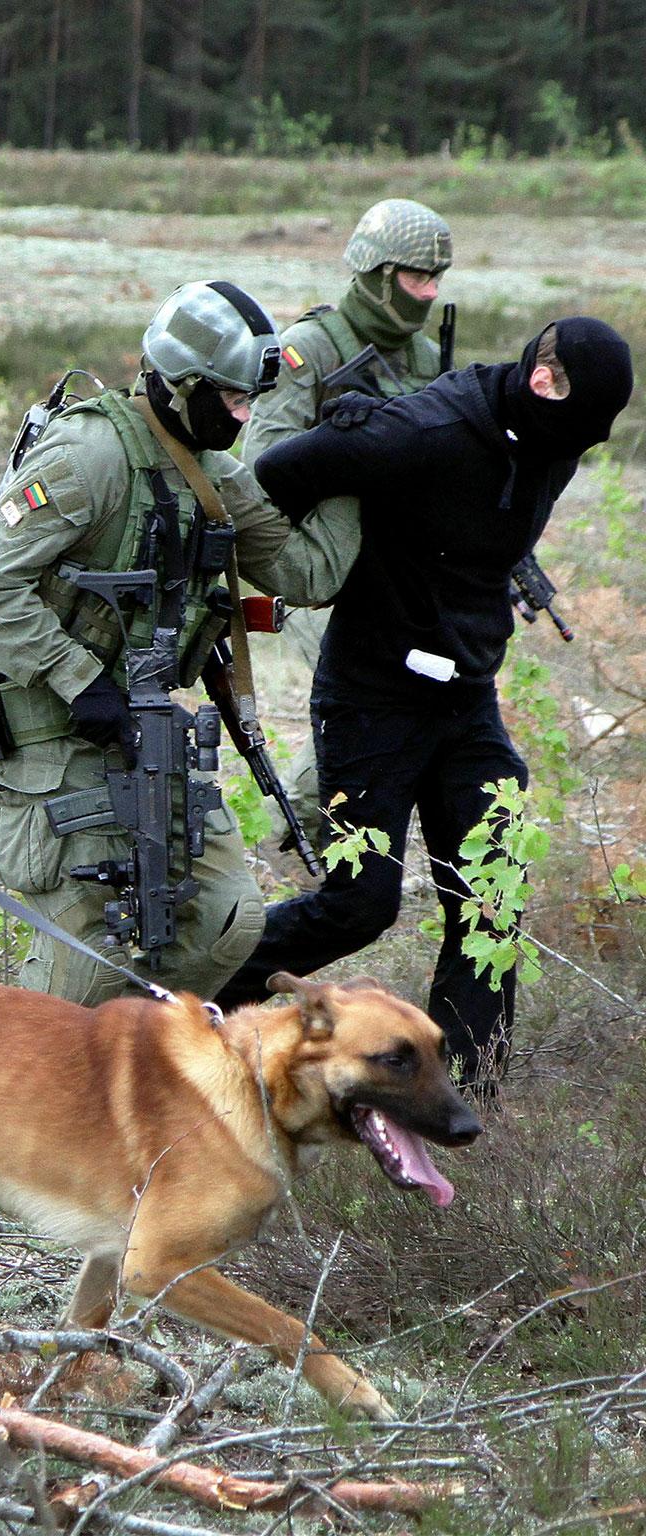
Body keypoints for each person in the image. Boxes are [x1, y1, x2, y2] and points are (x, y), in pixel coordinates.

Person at [215, 318, 633, 1089]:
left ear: (587, 419)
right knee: (360, 904)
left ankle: (469, 1095)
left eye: (563, 383)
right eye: (542, 363)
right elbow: (274, 474)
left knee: (492, 894)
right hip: (372, 693)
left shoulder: (560, 448)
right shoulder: (426, 429)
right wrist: (336, 560)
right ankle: (200, 1002)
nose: (543, 380)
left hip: (466, 698)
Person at [0, 280, 362, 1005]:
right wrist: (79, 678)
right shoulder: (88, 457)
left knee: (225, 923)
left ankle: (127, 1071)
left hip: (142, 732)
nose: (245, 414)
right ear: (183, 386)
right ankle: (23, 1091)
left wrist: (353, 457)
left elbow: (309, 571)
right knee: (91, 964)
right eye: (233, 399)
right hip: (50, 736)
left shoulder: (214, 477)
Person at [240, 198, 455, 848]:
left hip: (399, 567)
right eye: (419, 278)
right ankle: (294, 836)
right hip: (321, 567)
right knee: (364, 702)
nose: (430, 291)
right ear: (380, 274)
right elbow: (264, 467)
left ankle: (313, 834)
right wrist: (343, 449)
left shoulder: (426, 357)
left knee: (422, 696)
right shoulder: (308, 350)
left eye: (436, 278)